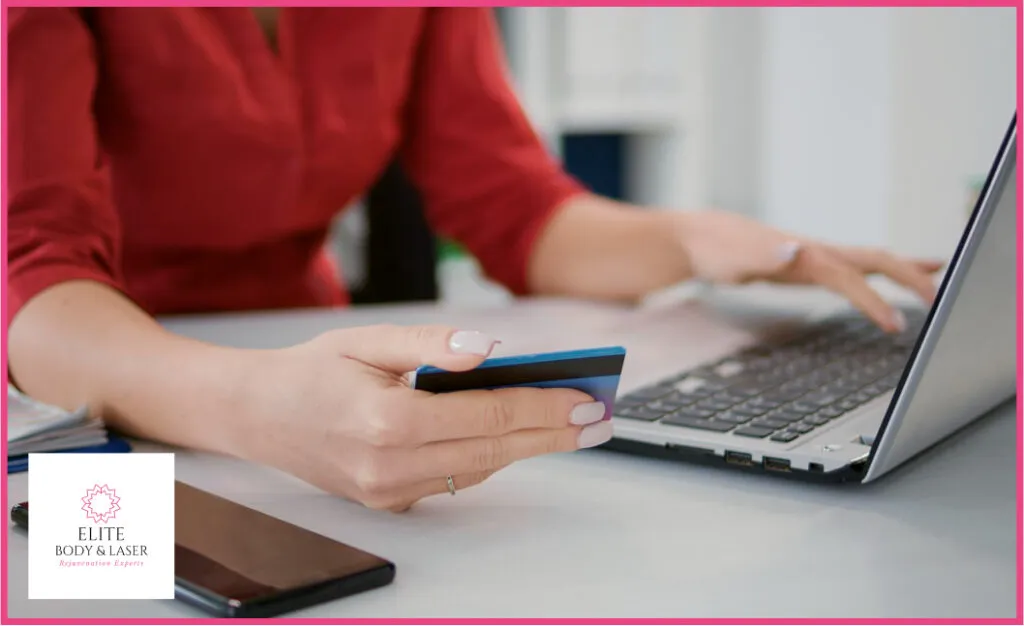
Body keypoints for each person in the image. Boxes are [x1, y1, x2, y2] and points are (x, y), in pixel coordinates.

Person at [7, 7, 941, 512]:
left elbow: (515, 209)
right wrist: (257, 407)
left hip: (316, 364)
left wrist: (693, 239)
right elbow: (32, 277)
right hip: (79, 390)